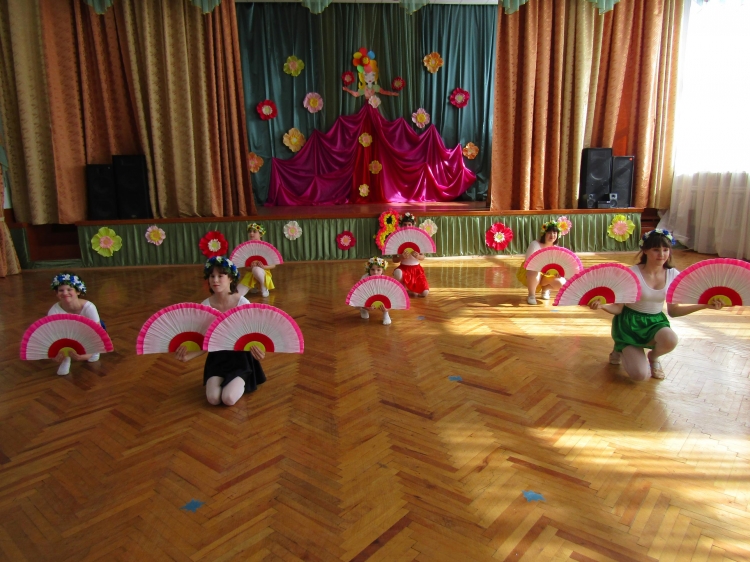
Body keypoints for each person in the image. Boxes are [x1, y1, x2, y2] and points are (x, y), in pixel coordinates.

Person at [589, 229, 724, 381]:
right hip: (629, 325)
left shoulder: (673, 275)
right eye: (656, 250)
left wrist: (705, 305)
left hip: (655, 323)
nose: (661, 254)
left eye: (665, 250)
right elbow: (618, 309)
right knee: (640, 376)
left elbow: (674, 311)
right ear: (645, 250)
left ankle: (653, 357)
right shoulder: (631, 274)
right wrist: (602, 306)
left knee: (671, 339)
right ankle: (620, 348)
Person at [175, 256, 266, 406]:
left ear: (231, 278)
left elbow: (254, 335)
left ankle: (243, 379)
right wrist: (188, 356)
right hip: (217, 359)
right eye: (212, 276)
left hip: (240, 359)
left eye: (220, 276)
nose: (215, 280)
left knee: (228, 398)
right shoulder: (205, 306)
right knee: (213, 399)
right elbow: (206, 341)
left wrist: (259, 351)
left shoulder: (242, 303)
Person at [48, 273, 102, 375]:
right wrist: (55, 353)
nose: (65, 293)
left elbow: (97, 332)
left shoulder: (89, 307)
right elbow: (53, 335)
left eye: (69, 289)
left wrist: (88, 354)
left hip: (86, 333)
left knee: (92, 357)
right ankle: (66, 359)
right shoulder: (54, 311)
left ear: (78, 291)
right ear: (57, 293)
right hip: (67, 335)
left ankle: (93, 351)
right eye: (61, 290)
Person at [517, 221, 567, 305]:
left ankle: (545, 289)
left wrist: (557, 273)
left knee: (562, 282)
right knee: (534, 271)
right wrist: (542, 269)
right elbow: (528, 263)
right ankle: (531, 295)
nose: (552, 235)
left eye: (554, 233)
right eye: (549, 232)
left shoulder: (555, 248)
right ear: (544, 233)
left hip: (547, 274)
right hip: (531, 272)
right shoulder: (535, 244)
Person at [392, 213, 429, 298]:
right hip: (404, 269)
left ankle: (409, 288)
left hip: (416, 270)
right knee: (398, 273)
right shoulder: (397, 239)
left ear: (413, 225)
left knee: (425, 293)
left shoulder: (418, 238)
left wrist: (418, 256)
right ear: (401, 226)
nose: (407, 227)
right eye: (405, 224)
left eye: (409, 224)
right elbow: (394, 259)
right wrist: (401, 257)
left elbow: (423, 257)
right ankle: (402, 285)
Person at [237, 223, 275, 299]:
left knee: (256, 269)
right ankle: (254, 286)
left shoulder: (266, 247)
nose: (251, 233)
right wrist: (251, 267)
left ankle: (263, 286)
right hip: (250, 274)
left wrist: (263, 267)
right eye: (250, 231)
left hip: (263, 273)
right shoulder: (247, 248)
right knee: (237, 294)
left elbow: (273, 265)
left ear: (260, 234)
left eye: (254, 231)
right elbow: (246, 268)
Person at [359, 257, 392, 325]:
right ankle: (363, 310)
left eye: (378, 270)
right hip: (367, 296)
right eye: (372, 269)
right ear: (369, 269)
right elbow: (360, 293)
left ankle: (386, 313)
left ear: (382, 271)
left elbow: (390, 295)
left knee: (387, 298)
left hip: (380, 297)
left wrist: (387, 309)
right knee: (357, 298)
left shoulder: (385, 280)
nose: (375, 272)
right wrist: (365, 307)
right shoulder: (364, 278)